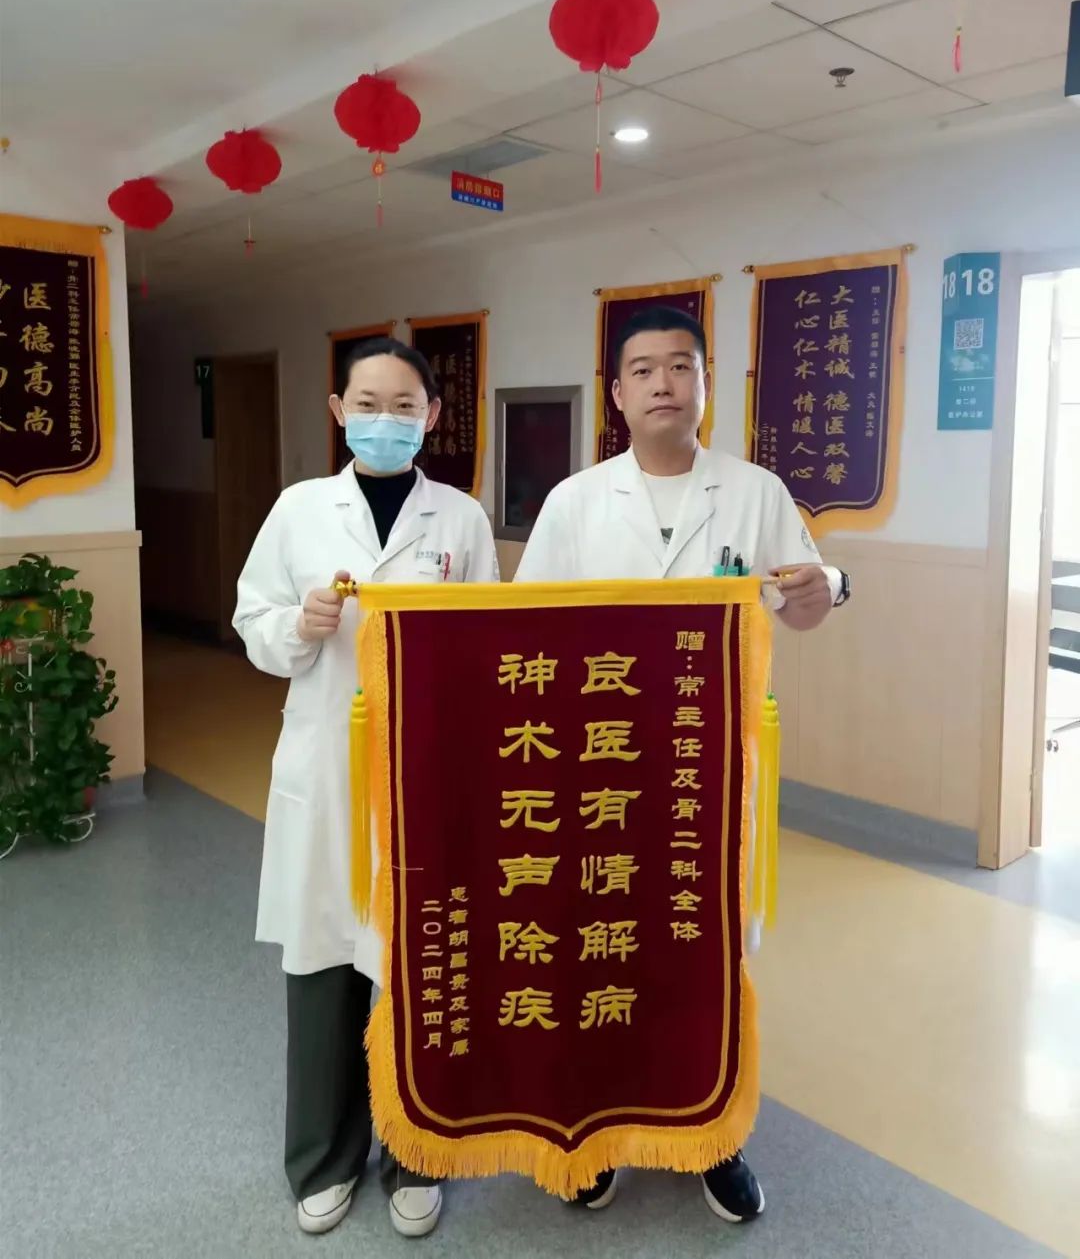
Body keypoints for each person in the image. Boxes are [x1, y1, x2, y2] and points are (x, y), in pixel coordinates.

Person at [514, 304, 850, 1223]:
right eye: (644, 369)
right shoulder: (576, 502)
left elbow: (805, 605)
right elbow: (523, 631)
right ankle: (597, 1131)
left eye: (680, 366)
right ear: (616, 393)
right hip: (597, 770)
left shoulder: (756, 492)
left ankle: (714, 1135)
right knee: (600, 946)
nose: (663, 383)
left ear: (705, 383)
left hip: (712, 770)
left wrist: (827, 585)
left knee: (707, 956)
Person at [234, 336, 499, 1239]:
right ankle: (324, 1159)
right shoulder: (300, 509)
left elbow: (490, 646)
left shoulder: (460, 519)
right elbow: (253, 619)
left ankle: (419, 1155)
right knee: (324, 964)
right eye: (369, 404)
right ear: (338, 411)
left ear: (433, 416)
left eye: (405, 406)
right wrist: (301, 624)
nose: (387, 420)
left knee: (423, 964)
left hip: (428, 772)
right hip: (326, 772)